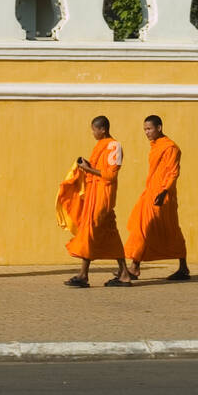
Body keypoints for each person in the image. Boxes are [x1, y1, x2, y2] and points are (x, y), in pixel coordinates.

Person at [57, 115, 132, 287]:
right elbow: (100, 169)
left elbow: (111, 174)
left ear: (102, 129)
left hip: (103, 196)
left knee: (89, 232)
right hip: (95, 194)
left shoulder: (114, 146)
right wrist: (87, 166)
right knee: (110, 233)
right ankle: (125, 274)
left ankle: (83, 275)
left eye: (94, 129)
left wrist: (89, 169)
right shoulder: (100, 146)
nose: (93, 133)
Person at [125, 114, 189, 281]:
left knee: (168, 230)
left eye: (149, 129)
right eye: (144, 129)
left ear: (159, 128)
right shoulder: (156, 146)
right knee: (142, 226)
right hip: (151, 192)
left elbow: (173, 172)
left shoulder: (170, 147)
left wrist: (164, 191)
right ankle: (135, 266)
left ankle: (183, 267)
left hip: (163, 195)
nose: (146, 132)